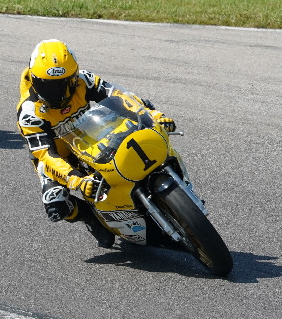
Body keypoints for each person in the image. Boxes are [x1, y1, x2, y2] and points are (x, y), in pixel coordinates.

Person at [16, 39, 176, 248]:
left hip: (93, 133)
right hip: (59, 154)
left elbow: (120, 96)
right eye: (46, 86)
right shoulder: (28, 112)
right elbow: (45, 154)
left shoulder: (85, 79)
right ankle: (89, 216)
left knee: (143, 117)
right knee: (55, 202)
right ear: (35, 79)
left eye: (62, 85)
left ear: (74, 77)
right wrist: (76, 180)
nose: (55, 94)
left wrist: (154, 115)